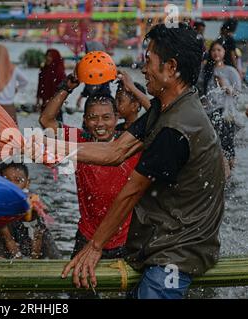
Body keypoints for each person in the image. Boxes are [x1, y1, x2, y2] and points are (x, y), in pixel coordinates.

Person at [56, 23, 225, 299]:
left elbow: (131, 191)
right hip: (161, 239)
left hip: (178, 253)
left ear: (171, 68)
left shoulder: (176, 129)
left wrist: (95, 246)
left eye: (148, 61)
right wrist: (49, 148)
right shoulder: (165, 107)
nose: (143, 69)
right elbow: (114, 152)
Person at [40, 85, 140, 261]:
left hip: (125, 238)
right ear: (85, 120)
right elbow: (46, 120)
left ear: (117, 118)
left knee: (127, 287)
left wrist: (132, 87)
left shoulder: (129, 143)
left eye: (106, 117)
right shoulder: (79, 139)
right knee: (77, 286)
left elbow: (162, 121)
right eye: (93, 118)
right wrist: (68, 86)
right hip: (87, 236)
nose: (100, 124)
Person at [0, 162, 61, 260]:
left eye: (18, 180)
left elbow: (38, 235)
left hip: (36, 236)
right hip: (6, 233)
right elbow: (6, 236)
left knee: (55, 257)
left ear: (27, 184)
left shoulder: (34, 202)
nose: (12, 185)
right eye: (6, 180)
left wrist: (34, 260)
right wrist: (13, 247)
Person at [200, 38, 242, 176]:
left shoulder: (231, 71)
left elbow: (238, 95)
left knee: (227, 145)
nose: (216, 53)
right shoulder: (206, 71)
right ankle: (218, 173)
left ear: (224, 52)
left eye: (219, 50)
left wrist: (226, 87)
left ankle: (229, 174)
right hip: (209, 114)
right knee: (212, 145)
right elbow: (201, 92)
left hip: (226, 114)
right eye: (213, 50)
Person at [0, 44, 28, 123]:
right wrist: (17, 88)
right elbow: (25, 81)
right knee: (10, 131)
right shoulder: (13, 68)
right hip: (10, 107)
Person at [76, 41, 112, 111]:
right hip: (99, 100)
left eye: (87, 51)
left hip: (100, 102)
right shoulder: (104, 65)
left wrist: (81, 97)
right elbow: (90, 84)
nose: (86, 54)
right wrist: (81, 96)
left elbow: (93, 85)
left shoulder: (99, 67)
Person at [36, 49, 66, 121]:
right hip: (44, 104)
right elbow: (40, 87)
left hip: (55, 106)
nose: (47, 58)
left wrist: (51, 101)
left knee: (57, 128)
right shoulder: (43, 70)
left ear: (55, 58)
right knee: (45, 128)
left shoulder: (60, 72)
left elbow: (62, 90)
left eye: (50, 56)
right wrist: (37, 101)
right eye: (47, 56)